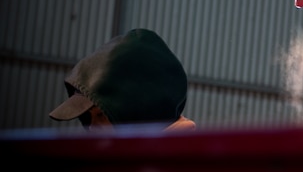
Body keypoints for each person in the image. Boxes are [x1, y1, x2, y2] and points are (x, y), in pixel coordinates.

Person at [49, 28, 196, 131]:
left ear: (140, 111)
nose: (92, 128)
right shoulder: (131, 163)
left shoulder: (177, 166)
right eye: (89, 118)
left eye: (101, 115)